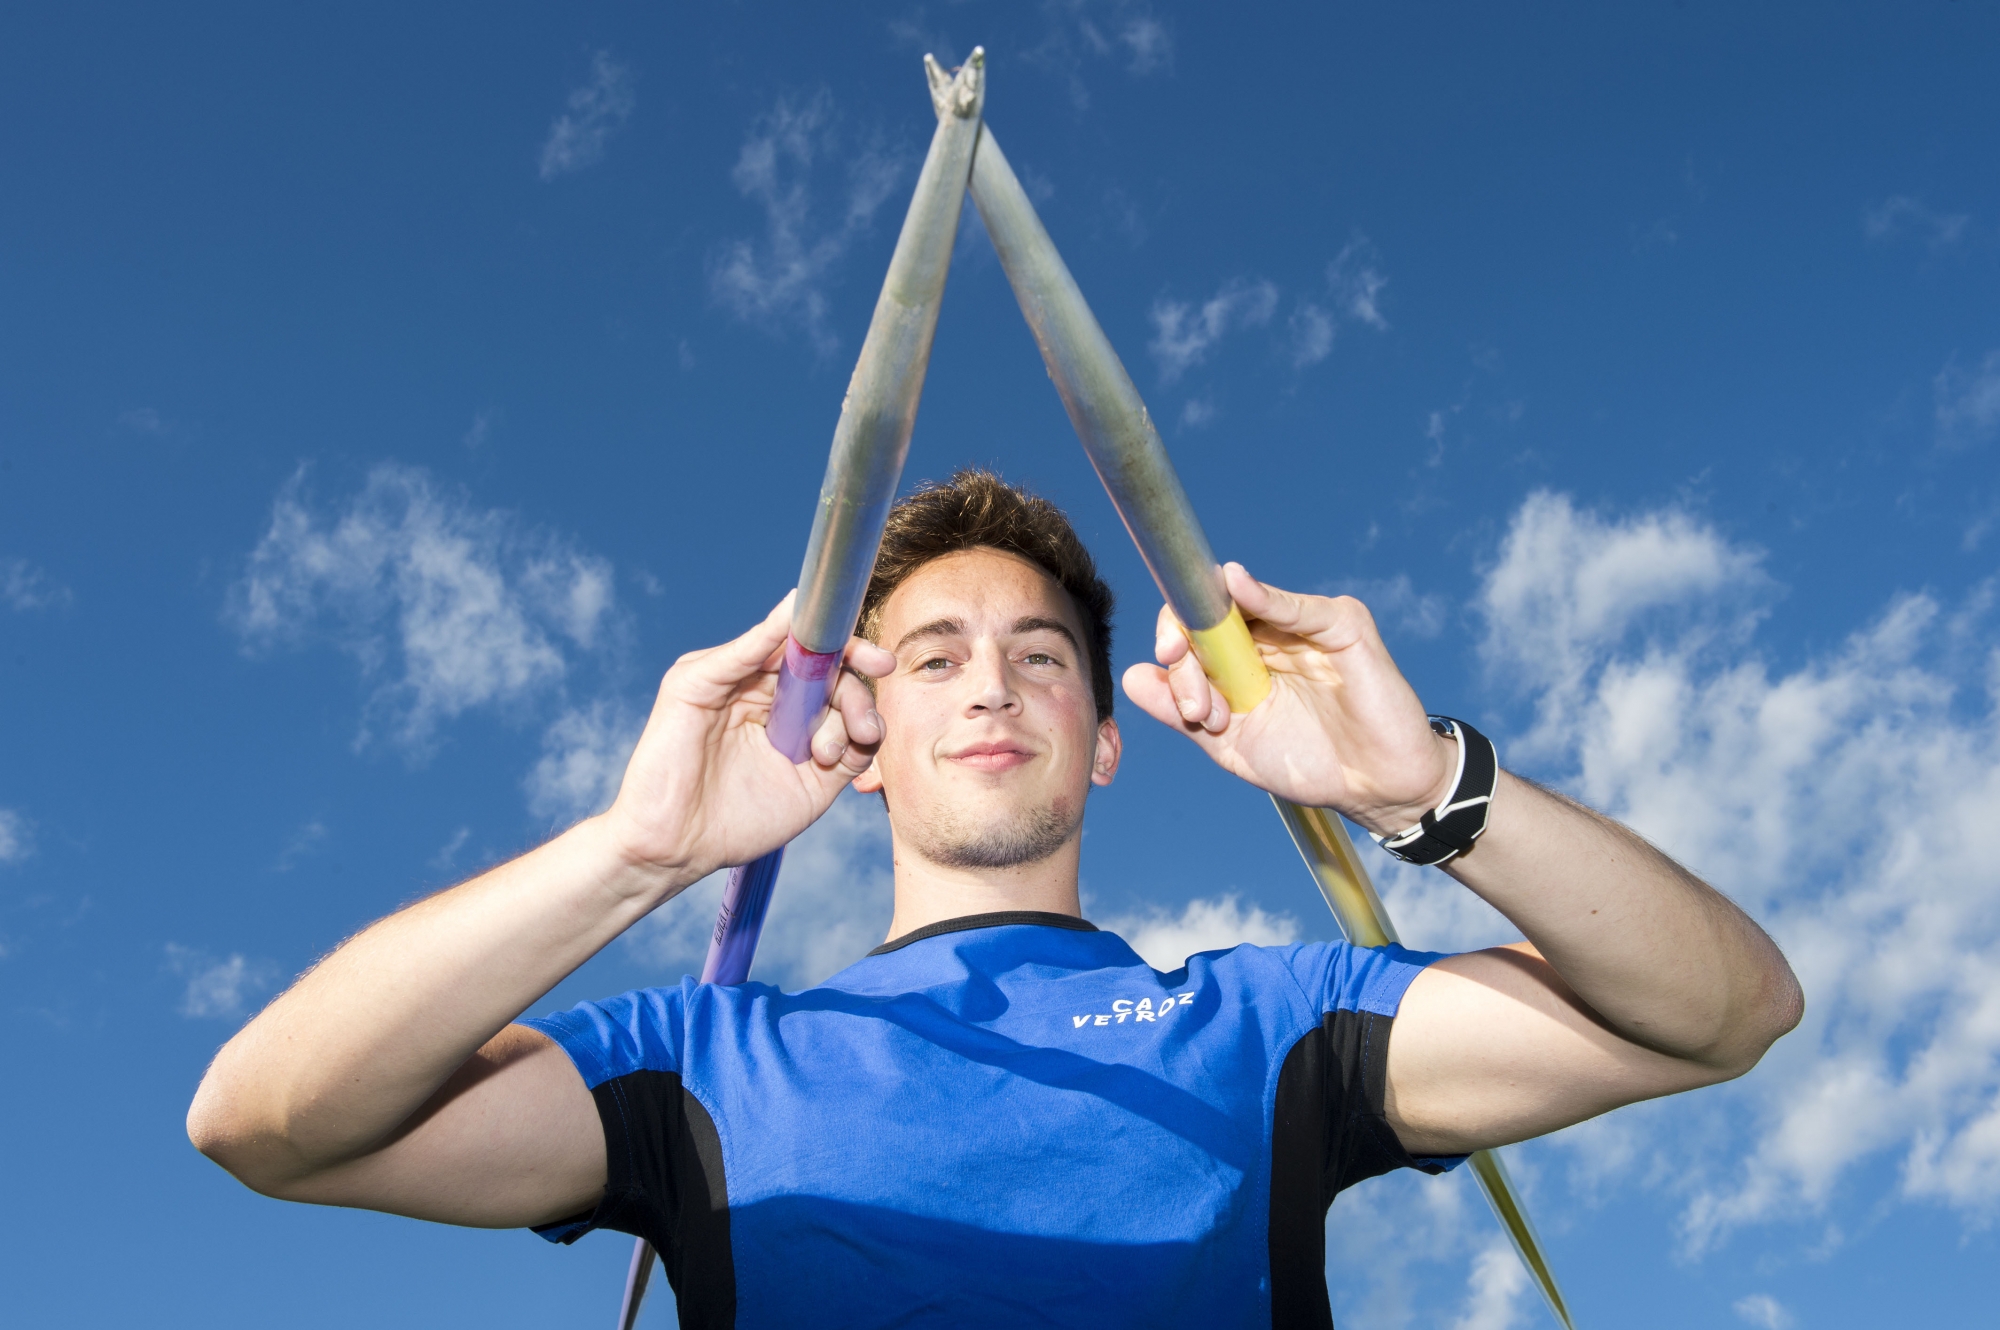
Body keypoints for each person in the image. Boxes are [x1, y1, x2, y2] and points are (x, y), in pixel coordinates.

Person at [188, 469, 1802, 1328]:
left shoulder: (1265, 1024)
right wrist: (639, 850)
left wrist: (1422, 788)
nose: (993, 687)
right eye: (936, 657)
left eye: (1042, 657)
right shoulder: (702, 1063)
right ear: (862, 737)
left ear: (1105, 742)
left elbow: (1728, 1010)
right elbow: (266, 1122)